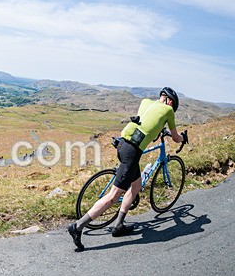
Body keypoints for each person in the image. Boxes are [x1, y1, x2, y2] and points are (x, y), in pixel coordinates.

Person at [68, 87, 187, 251]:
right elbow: (175, 137)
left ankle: (119, 225)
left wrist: (158, 130)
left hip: (123, 144)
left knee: (136, 185)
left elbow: (146, 125)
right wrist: (183, 138)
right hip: (132, 153)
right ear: (171, 102)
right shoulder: (168, 110)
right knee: (113, 197)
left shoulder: (145, 102)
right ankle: (78, 226)